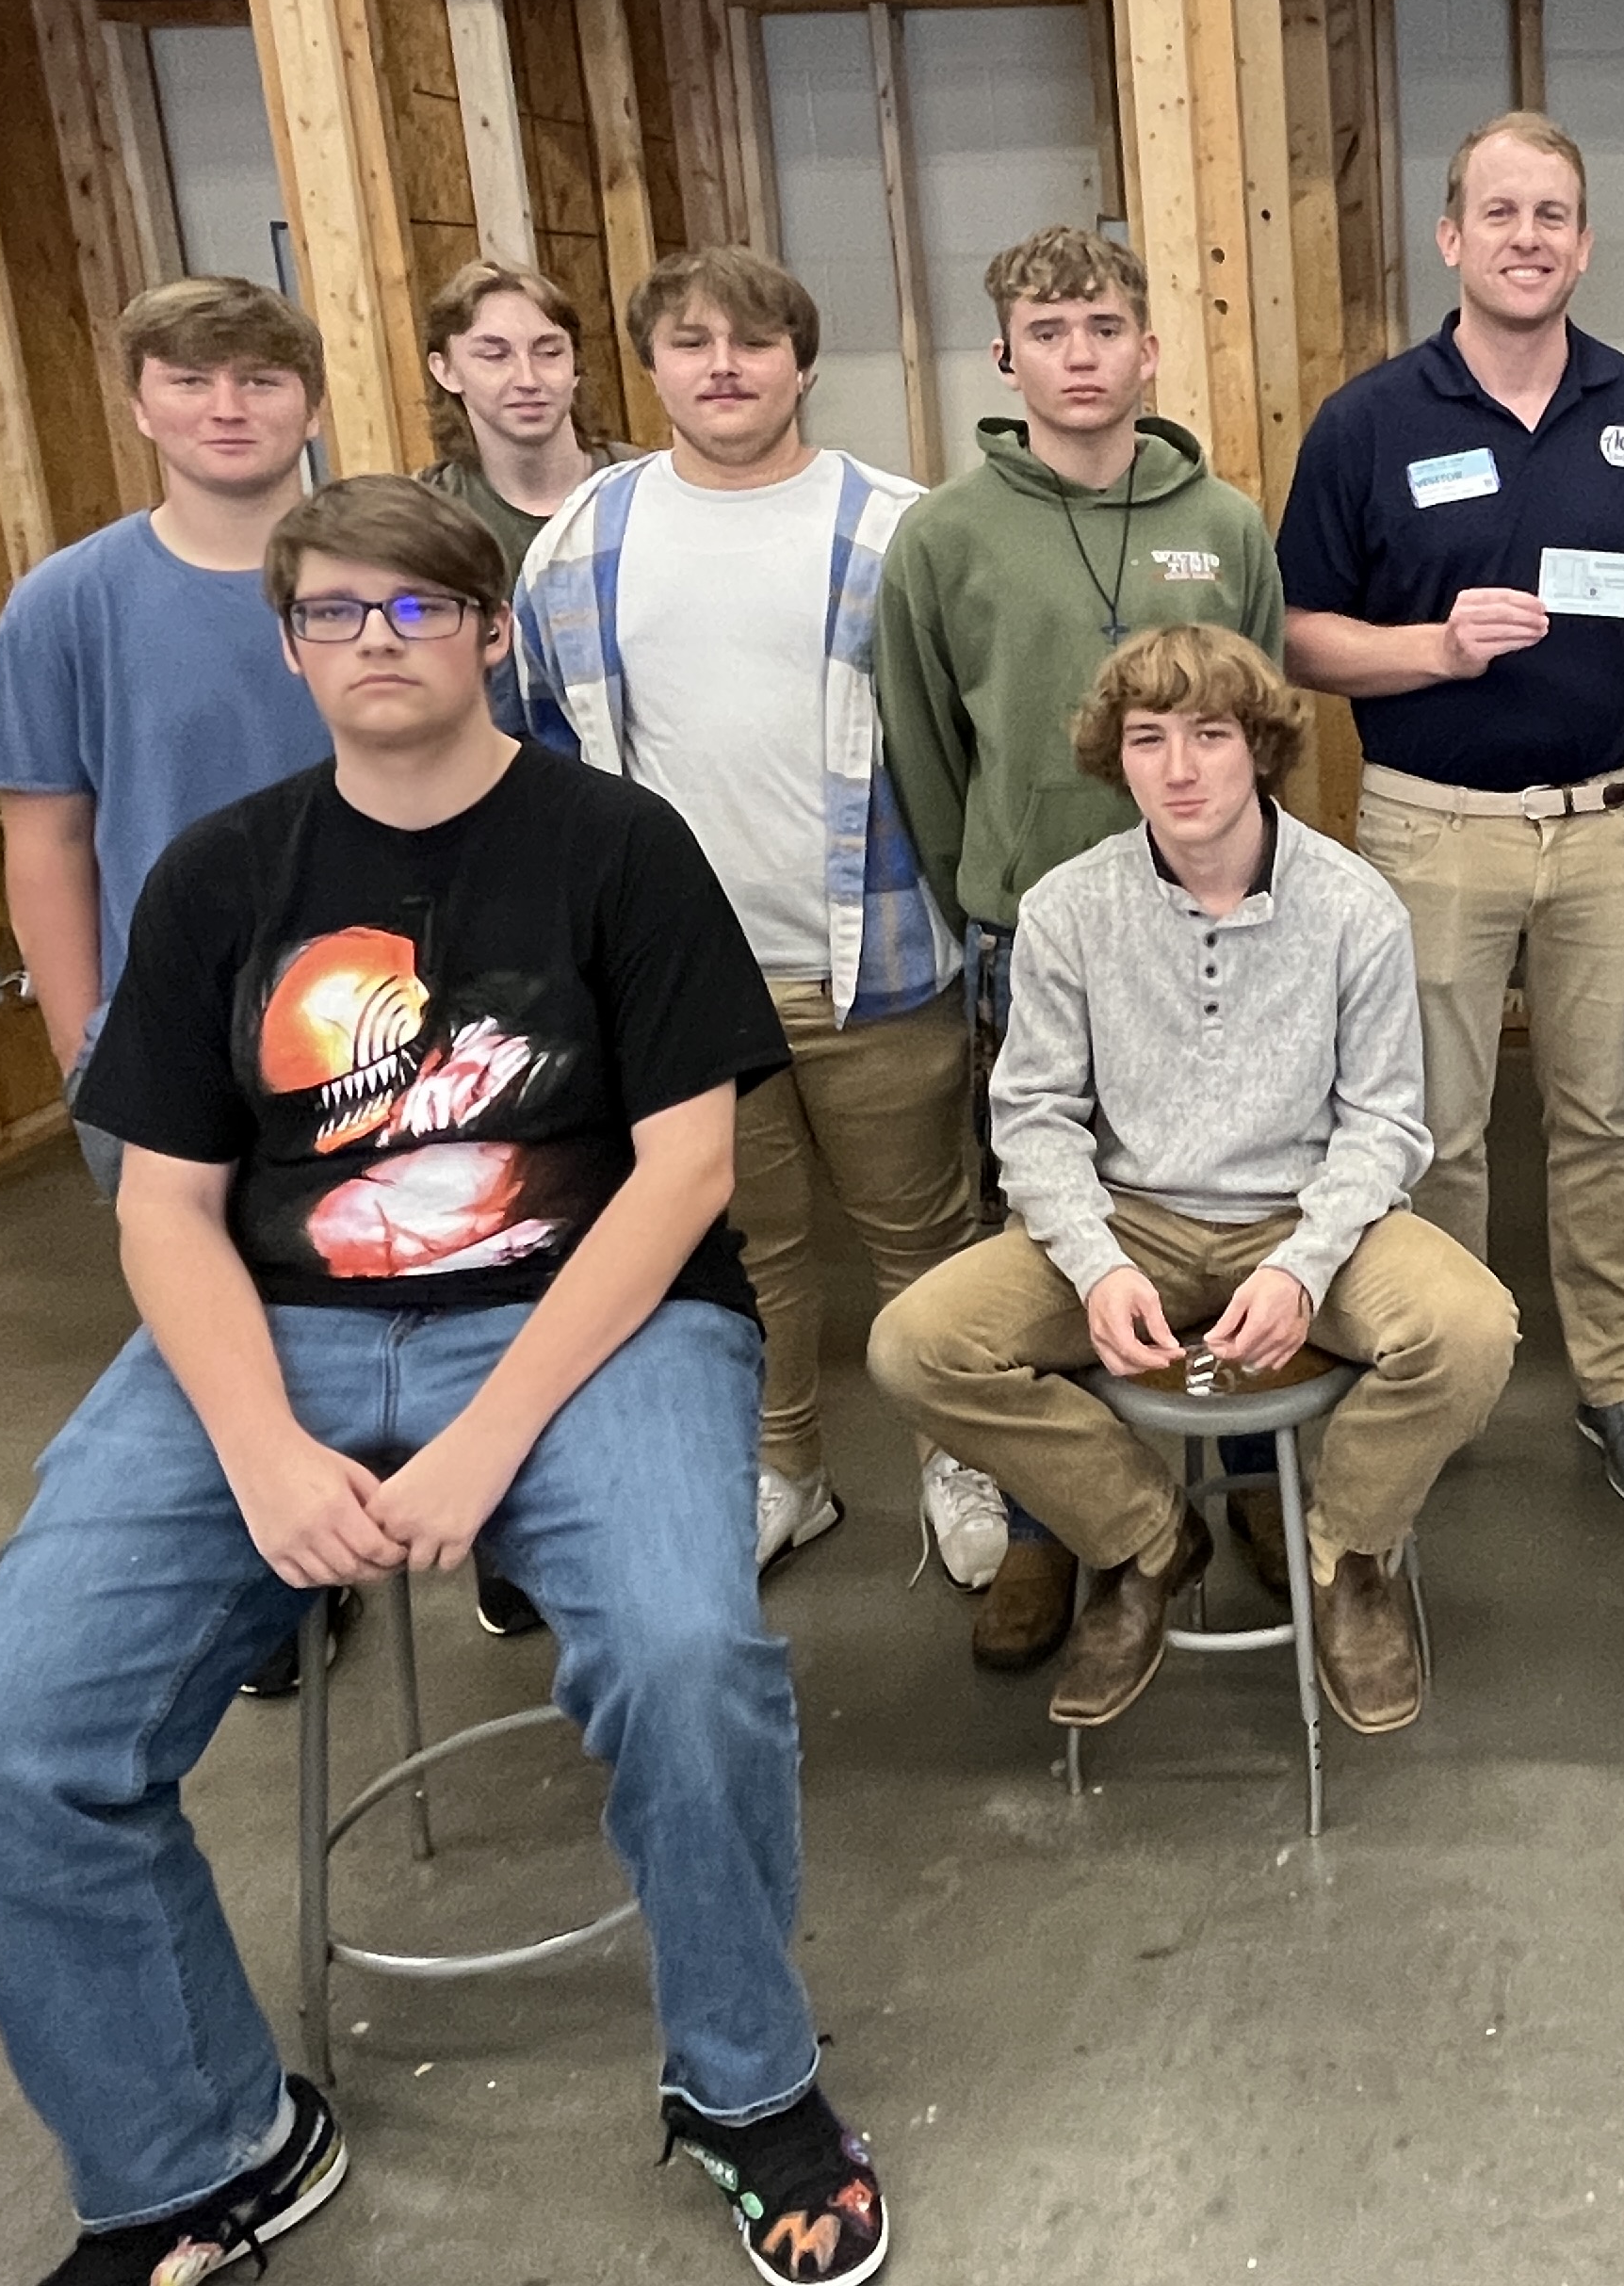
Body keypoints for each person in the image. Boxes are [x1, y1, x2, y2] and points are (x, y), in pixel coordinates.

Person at [0, 475, 889, 2286]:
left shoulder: (613, 843)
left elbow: (684, 1174)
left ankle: (748, 2083)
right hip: (276, 1329)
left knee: (689, 1657)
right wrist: (266, 1449)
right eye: (337, 612)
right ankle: (201, 2151)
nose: (378, 640)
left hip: (597, 1318)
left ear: (490, 633)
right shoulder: (221, 873)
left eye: (418, 608)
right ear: (289, 646)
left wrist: (488, 1443)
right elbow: (167, 1207)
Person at [869, 627, 1516, 1736]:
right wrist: (1095, 1259)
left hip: (1311, 1216)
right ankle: (1145, 1540)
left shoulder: (1355, 904)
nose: (1178, 768)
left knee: (1474, 1330)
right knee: (914, 1347)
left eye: (1209, 736)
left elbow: (1386, 1125)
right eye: (1147, 739)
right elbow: (1031, 1116)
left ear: (1259, 748)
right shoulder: (1072, 909)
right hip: (1135, 1219)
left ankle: (1345, 1554)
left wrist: (1307, 1267)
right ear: (1114, 757)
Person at [1279, 112, 1624, 1508]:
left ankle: (1615, 1381)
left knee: (1605, 1120)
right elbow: (1297, 637)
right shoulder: (1370, 420)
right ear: (1452, 237)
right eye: (1501, 213)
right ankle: (1450, 1373)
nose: (1527, 238)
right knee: (1439, 1130)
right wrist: (1433, 647)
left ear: (1583, 245)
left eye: (1553, 216)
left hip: (1608, 823)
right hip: (1432, 826)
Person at [514, 246, 985, 1591]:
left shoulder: (904, 530)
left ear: (802, 362)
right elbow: (546, 755)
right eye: (692, 342)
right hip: (677, 987)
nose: (724, 366)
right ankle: (789, 1469)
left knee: (926, 1239)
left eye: (754, 342)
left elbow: (958, 734)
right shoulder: (579, 546)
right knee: (746, 1246)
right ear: (650, 366)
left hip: (877, 965)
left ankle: (959, 1458)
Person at [877, 223, 1285, 1667]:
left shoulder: (1225, 524)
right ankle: (1068, 1526)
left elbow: (1265, 721)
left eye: (1107, 327)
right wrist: (985, 891)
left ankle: (1251, 1488)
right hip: (1033, 940)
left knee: (1234, 1199)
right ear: (1006, 358)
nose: (1081, 356)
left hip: (1209, 933)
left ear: (1149, 348)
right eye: (1049, 334)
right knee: (1049, 1225)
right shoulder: (942, 536)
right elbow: (923, 742)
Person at [0, 276, 336, 1212]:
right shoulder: (64, 607)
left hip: (393, 1020)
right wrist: (85, 1045)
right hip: (173, 1045)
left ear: (311, 403)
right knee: (208, 1334)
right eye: (188, 381)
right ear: (139, 404)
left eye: (259, 381)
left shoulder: (395, 582)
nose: (225, 408)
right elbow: (44, 841)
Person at [417, 258, 636, 730]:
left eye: (549, 351)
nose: (528, 379)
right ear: (446, 370)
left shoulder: (645, 491)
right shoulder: (422, 518)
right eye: (494, 355)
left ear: (576, 365)